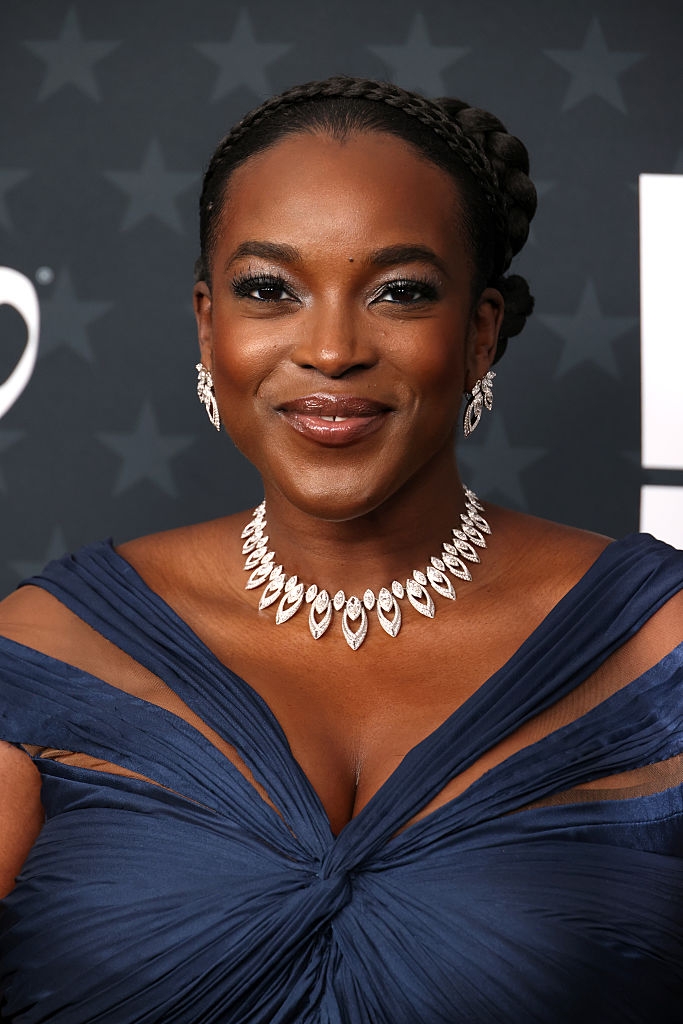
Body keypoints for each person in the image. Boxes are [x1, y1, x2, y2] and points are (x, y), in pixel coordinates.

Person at [0, 76, 681, 1023]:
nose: (330, 349)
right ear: (208, 323)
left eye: (400, 293)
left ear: (479, 334)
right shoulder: (48, 647)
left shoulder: (656, 647)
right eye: (267, 290)